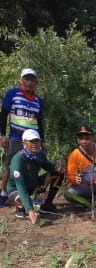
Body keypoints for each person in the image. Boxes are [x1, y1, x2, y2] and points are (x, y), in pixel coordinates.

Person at [0, 68, 46, 207]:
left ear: (36, 82)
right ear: (21, 80)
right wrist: (2, 134)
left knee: (33, 165)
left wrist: (42, 140)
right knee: (10, 165)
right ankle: (3, 193)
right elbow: (3, 114)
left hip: (33, 138)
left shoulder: (38, 100)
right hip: (16, 136)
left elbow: (39, 122)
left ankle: (28, 194)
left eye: (32, 80)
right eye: (27, 79)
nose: (30, 82)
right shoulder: (12, 94)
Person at [7, 129, 64, 224]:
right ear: (24, 143)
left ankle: (47, 205)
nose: (35, 144)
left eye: (37, 141)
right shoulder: (18, 160)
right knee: (22, 199)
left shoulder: (40, 154)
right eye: (31, 141)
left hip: (33, 184)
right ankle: (21, 208)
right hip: (16, 189)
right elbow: (20, 187)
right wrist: (31, 213)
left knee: (58, 174)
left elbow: (48, 166)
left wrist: (57, 168)